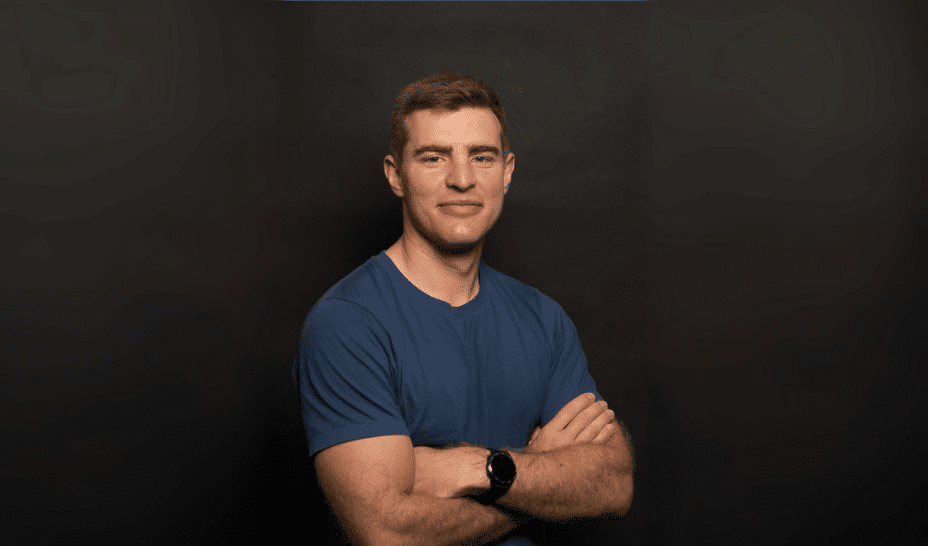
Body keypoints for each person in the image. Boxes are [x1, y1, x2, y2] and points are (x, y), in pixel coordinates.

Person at [293, 72, 634, 546]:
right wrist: (541, 475)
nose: (462, 179)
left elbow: (613, 484)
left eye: (482, 157)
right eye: (434, 157)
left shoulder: (543, 318)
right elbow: (387, 532)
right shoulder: (347, 323)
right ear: (396, 175)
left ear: (506, 172)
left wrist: (482, 469)